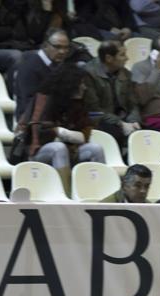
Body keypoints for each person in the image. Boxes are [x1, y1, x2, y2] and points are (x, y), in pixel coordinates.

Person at [23, 63, 105, 196]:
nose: (84, 88)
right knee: (58, 148)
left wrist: (60, 132)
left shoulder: (78, 103)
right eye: (81, 84)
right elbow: (36, 134)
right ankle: (66, 197)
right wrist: (63, 134)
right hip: (38, 152)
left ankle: (102, 195)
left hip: (70, 151)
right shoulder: (44, 101)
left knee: (96, 148)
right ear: (69, 84)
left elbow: (85, 135)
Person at [84, 40, 141, 146]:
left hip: (123, 118)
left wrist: (134, 121)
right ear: (109, 58)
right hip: (99, 120)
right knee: (115, 133)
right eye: (122, 55)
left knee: (143, 133)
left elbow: (133, 103)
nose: (127, 58)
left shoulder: (126, 73)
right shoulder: (88, 74)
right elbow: (94, 110)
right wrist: (121, 123)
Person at [15, 29, 70, 120]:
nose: (62, 52)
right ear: (45, 45)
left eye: (66, 48)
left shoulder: (61, 66)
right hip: (32, 123)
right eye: (57, 47)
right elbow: (29, 104)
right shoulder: (29, 67)